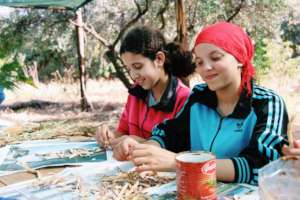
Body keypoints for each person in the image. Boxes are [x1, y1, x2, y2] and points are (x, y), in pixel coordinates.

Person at [115, 22, 289, 185]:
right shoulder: (199, 96)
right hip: (196, 189)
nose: (205, 67)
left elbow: (261, 166)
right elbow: (170, 133)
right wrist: (148, 149)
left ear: (240, 58)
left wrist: (180, 163)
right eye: (199, 62)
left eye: (215, 57)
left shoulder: (267, 103)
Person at [95, 25, 195, 160]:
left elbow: (180, 153)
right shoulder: (136, 93)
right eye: (128, 68)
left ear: (159, 59)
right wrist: (108, 136)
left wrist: (136, 141)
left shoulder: (184, 99)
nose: (133, 75)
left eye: (137, 66)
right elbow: (122, 132)